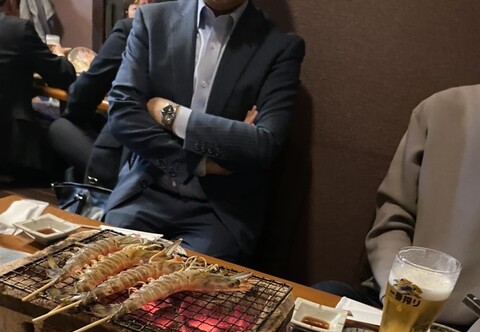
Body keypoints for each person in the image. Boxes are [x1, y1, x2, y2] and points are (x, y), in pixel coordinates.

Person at [102, 0, 305, 264]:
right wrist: (199, 163)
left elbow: (263, 145)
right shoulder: (153, 20)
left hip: (217, 213)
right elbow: (122, 113)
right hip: (145, 191)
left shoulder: (280, 46)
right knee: (102, 270)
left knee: (185, 285)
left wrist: (171, 114)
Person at [314, 85, 480, 332]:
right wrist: (400, 297)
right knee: (323, 297)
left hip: (468, 329)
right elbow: (393, 217)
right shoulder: (442, 108)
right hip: (396, 301)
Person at [48, 16, 134, 187]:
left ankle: (90, 189)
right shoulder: (188, 35)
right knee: (96, 121)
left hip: (132, 163)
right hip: (182, 160)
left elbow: (82, 96)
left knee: (60, 126)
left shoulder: (133, 29)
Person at [0, 0, 76, 182]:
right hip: (13, 153)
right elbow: (62, 75)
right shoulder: (17, 29)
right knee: (69, 151)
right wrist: (59, 55)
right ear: (10, 3)